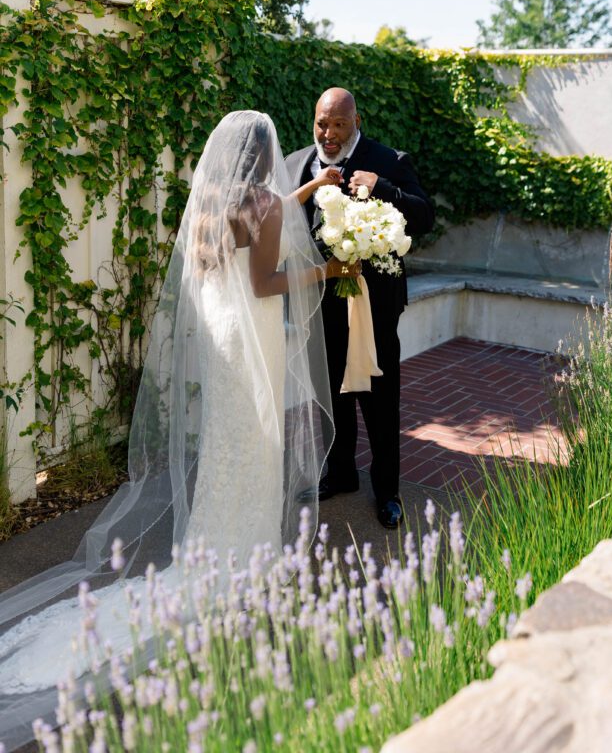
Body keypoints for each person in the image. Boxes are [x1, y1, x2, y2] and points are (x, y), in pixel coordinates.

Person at [0, 110, 349, 751]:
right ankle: (241, 556)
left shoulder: (213, 201)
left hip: (221, 346)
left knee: (227, 441)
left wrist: (303, 193)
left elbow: (242, 254)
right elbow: (267, 281)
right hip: (256, 341)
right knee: (256, 442)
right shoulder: (265, 206)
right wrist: (329, 271)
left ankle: (211, 545)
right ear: (265, 156)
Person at [286, 88, 435, 530]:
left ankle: (388, 491)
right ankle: (341, 473)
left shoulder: (389, 159)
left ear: (356, 121)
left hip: (375, 305)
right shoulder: (298, 165)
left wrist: (382, 188)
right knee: (331, 392)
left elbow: (425, 217)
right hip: (320, 300)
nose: (328, 134)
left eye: (338, 125)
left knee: (379, 398)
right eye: (321, 124)